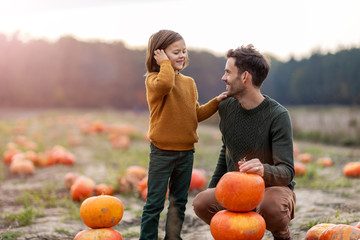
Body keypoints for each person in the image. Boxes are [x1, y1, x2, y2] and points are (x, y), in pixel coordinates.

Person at [192, 44, 296, 240]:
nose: (223, 78)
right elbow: (227, 151)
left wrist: (263, 170)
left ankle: (282, 234)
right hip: (237, 190)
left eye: (228, 72)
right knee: (201, 202)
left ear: (245, 77)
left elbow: (287, 172)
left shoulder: (278, 115)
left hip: (272, 189)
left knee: (270, 207)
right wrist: (214, 188)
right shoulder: (226, 107)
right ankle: (242, 235)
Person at [140, 29, 227, 240]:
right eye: (175, 52)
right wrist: (164, 65)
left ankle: (173, 237)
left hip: (186, 153)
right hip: (162, 153)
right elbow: (166, 84)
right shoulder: (154, 80)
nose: (181, 55)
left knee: (178, 202)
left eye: (184, 51)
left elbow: (195, 114)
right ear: (158, 55)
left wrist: (216, 102)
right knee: (154, 202)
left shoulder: (189, 83)